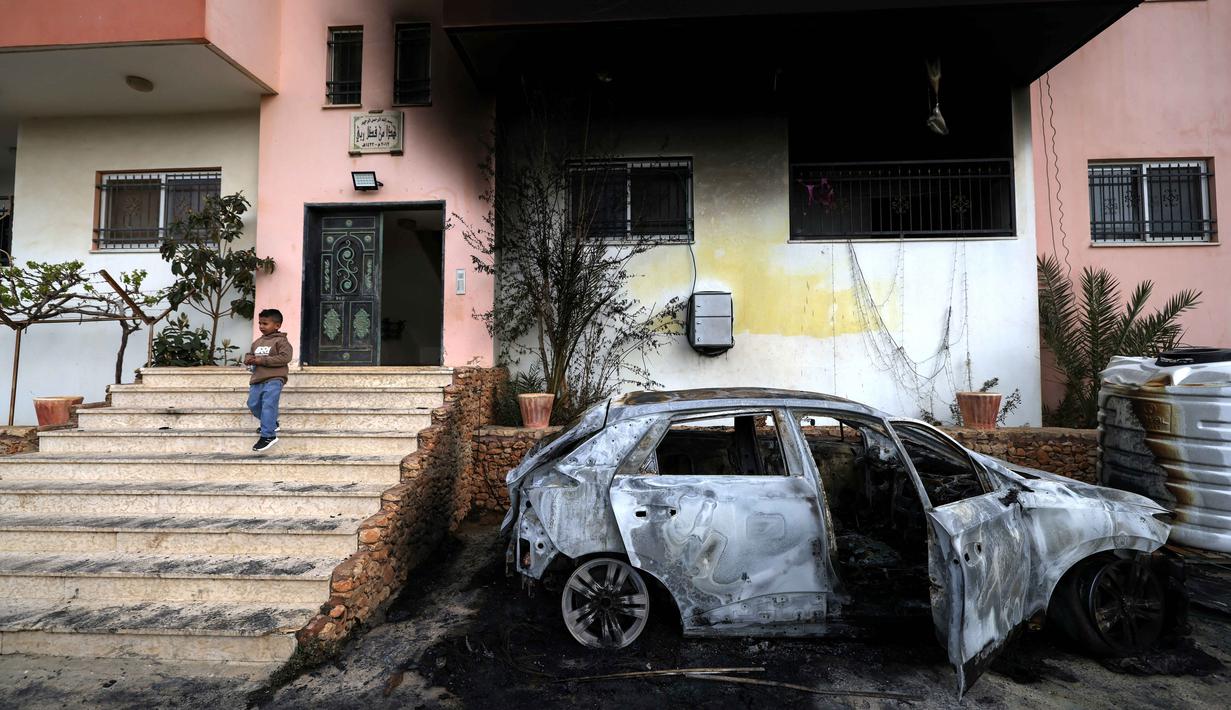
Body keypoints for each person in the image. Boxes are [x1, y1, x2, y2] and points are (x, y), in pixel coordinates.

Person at [245, 309, 292, 452]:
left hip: (274, 378)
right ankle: (271, 422)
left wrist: (262, 360)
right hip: (258, 378)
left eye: (265, 323)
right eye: (259, 323)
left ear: (277, 325)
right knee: (252, 404)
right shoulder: (257, 342)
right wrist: (248, 358)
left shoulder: (281, 341)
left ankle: (268, 435)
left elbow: (285, 358)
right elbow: (251, 354)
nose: (261, 326)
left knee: (268, 404)